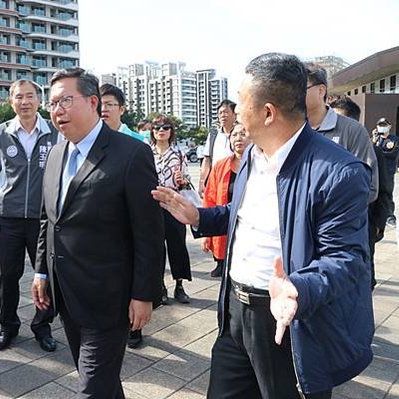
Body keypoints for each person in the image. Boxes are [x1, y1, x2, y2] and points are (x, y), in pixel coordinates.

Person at [153, 53, 374, 399]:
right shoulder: (251, 157)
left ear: (268, 113)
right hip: (234, 315)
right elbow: (240, 214)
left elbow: (347, 259)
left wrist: (297, 288)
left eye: (241, 102)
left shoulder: (338, 172)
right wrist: (200, 217)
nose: (236, 112)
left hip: (288, 323)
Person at [32, 67, 164, 398]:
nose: (57, 110)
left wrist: (144, 293)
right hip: (65, 292)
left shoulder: (131, 153)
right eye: (52, 103)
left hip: (109, 297)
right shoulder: (55, 153)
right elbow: (49, 219)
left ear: (93, 102)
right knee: (100, 382)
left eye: (65, 100)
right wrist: (40, 272)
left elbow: (148, 231)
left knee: (91, 388)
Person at [0, 79, 60, 352]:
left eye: (29, 96)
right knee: (7, 276)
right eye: (18, 97)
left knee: (46, 274)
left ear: (39, 100)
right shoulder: (1, 132)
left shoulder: (54, 131)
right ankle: (8, 326)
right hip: (10, 217)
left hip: (44, 219)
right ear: (10, 101)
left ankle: (42, 326)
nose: (24, 102)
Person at [127, 114, 192, 350]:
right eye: (157, 128)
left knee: (177, 245)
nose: (161, 131)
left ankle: (180, 284)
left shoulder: (179, 153)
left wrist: (182, 179)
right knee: (156, 248)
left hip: (173, 203)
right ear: (152, 131)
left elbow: (185, 180)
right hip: (152, 203)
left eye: (165, 128)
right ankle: (160, 287)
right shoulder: (145, 151)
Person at [330, 97, 394, 289]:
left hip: (364, 224)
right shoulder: (323, 150)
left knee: (363, 276)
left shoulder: (374, 151)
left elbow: (384, 191)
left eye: (335, 120)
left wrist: (377, 225)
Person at [304, 62, 378, 204]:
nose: (293, 94)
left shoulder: (352, 131)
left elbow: (369, 187)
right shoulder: (291, 131)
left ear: (321, 91)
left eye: (300, 88)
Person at [201, 123, 249, 278]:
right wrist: (206, 232)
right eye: (234, 135)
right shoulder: (221, 166)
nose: (238, 138)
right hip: (226, 223)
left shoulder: (261, 164)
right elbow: (210, 199)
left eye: (243, 133)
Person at [199, 100, 236, 196]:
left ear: (234, 115)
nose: (223, 115)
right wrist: (202, 181)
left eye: (226, 112)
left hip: (234, 179)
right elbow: (207, 160)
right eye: (220, 113)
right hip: (215, 179)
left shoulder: (241, 134)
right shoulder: (213, 135)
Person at [371, 117, 399, 227]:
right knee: (375, 192)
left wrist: (379, 151)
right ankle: (377, 214)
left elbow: (392, 154)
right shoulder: (375, 139)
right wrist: (374, 140)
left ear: (389, 126)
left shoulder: (394, 139)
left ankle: (390, 216)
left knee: (387, 192)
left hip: (388, 171)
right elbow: (370, 151)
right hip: (376, 170)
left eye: (384, 125)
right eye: (380, 125)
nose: (382, 127)